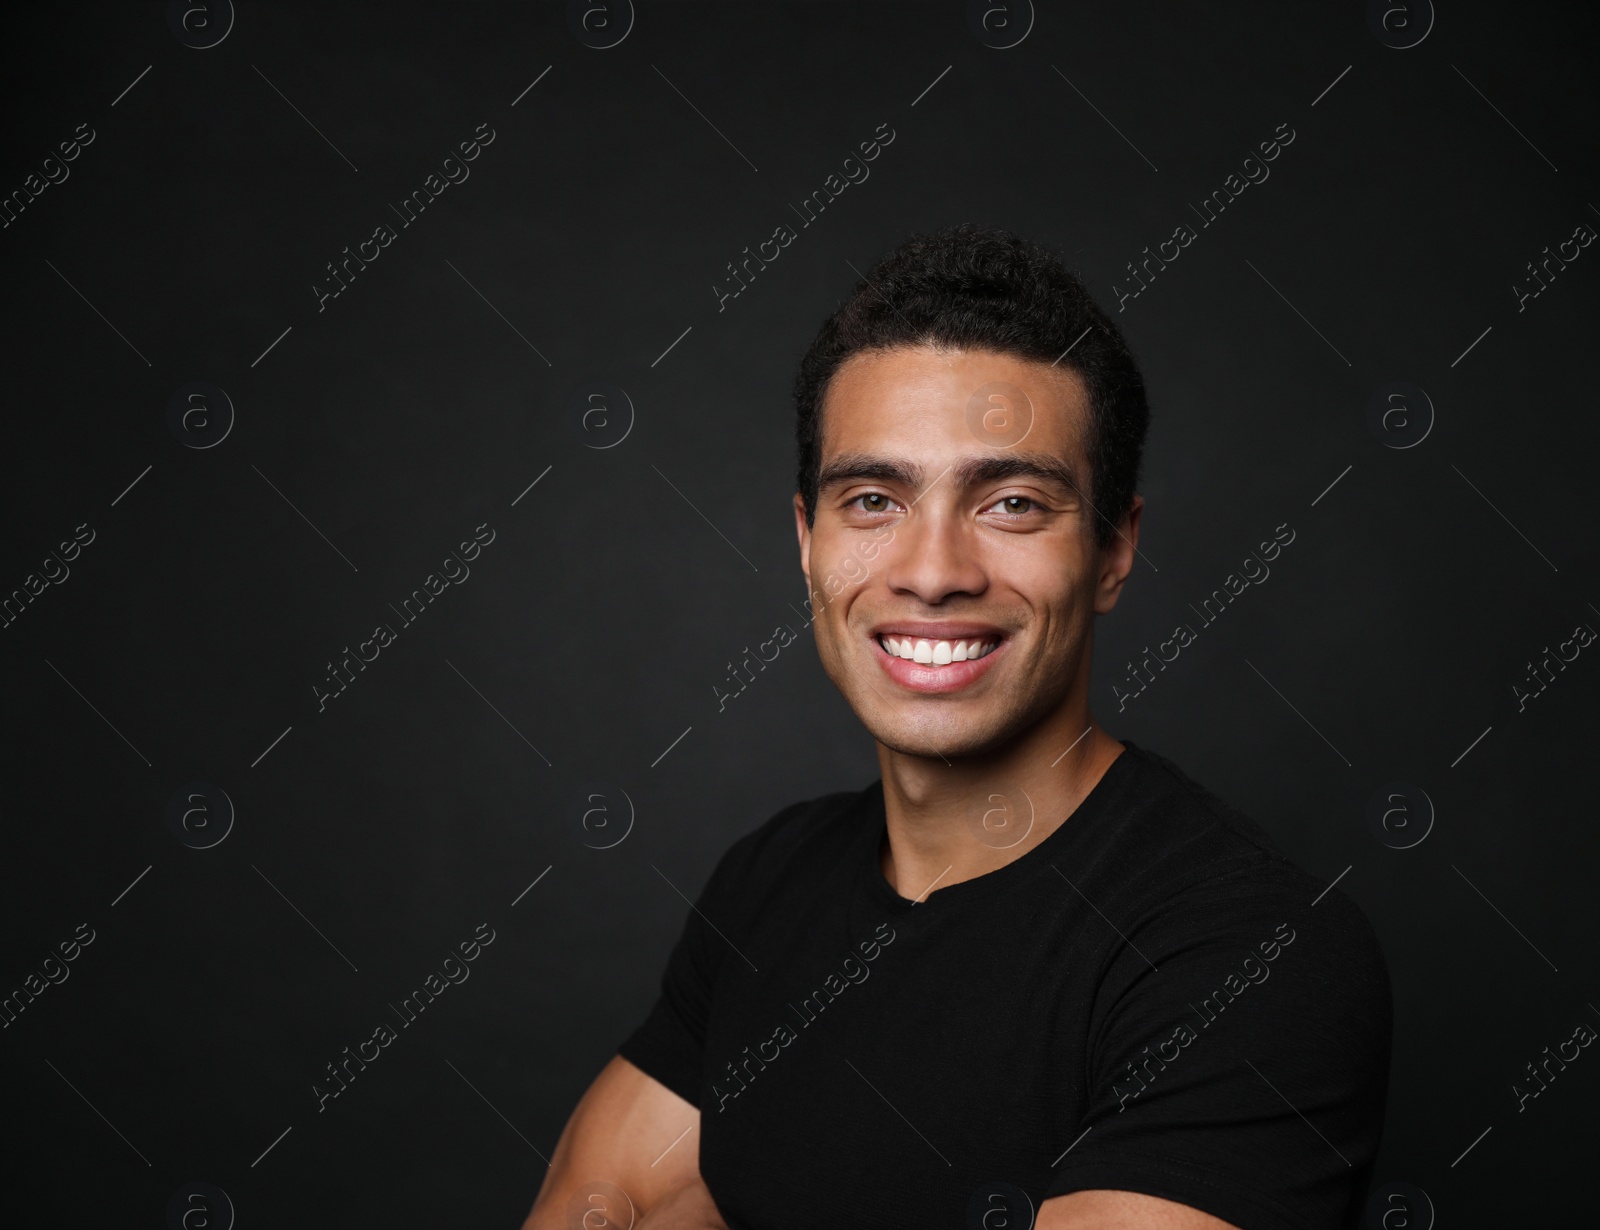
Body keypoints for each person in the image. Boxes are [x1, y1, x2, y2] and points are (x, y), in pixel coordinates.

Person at [521, 224, 1392, 1230]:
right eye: (873, 499)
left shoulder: (1254, 951)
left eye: (1013, 502)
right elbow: (613, 1201)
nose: (933, 571)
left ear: (1113, 549)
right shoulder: (770, 883)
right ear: (807, 542)